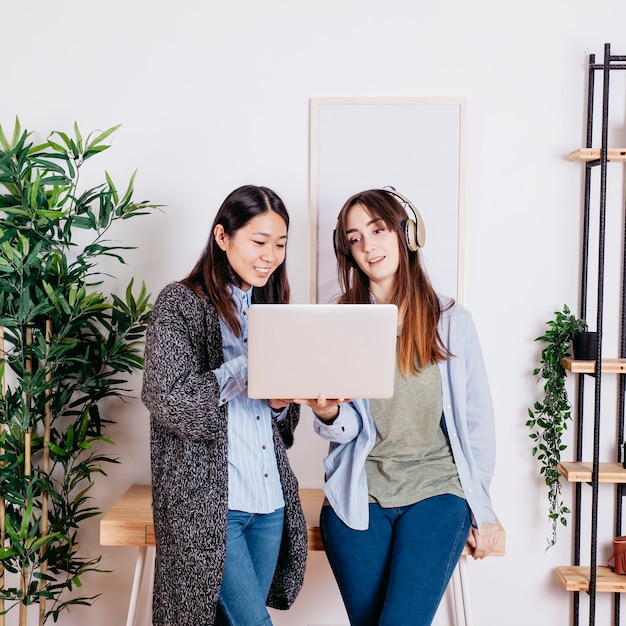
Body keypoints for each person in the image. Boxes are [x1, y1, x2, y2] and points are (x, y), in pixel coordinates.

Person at [297, 188, 497, 626]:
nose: (367, 245)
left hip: (437, 490)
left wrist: (484, 509)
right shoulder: (339, 321)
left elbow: (477, 423)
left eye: (378, 229)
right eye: (354, 238)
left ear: (407, 234)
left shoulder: (451, 320)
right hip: (359, 493)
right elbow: (348, 427)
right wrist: (328, 413)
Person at [141, 185, 307, 626]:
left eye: (279, 244)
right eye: (258, 242)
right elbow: (170, 400)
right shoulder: (179, 304)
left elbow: (283, 429)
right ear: (222, 236)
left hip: (270, 503)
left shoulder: (274, 309)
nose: (270, 255)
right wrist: (249, 367)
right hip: (210, 506)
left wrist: (277, 403)